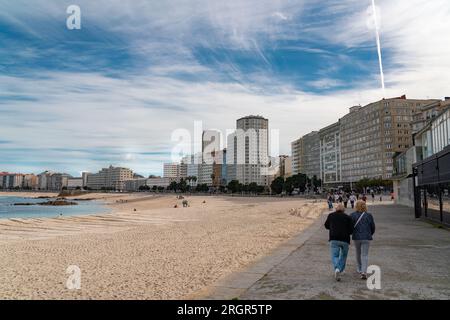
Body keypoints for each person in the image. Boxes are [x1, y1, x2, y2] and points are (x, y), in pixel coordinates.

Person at [324, 203, 353, 282]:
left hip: (334, 238)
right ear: (344, 210)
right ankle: (340, 269)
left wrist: (333, 227)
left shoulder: (331, 215)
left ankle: (337, 268)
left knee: (335, 255)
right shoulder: (348, 217)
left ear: (336, 209)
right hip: (345, 239)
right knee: (344, 255)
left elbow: (326, 225)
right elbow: (351, 230)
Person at [351, 200, 376, 280]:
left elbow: (350, 226)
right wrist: (370, 233)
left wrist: (352, 233)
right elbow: (372, 227)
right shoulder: (369, 215)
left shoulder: (352, 215)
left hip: (356, 237)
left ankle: (359, 268)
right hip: (366, 237)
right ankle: (364, 271)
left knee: (358, 253)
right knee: (364, 255)